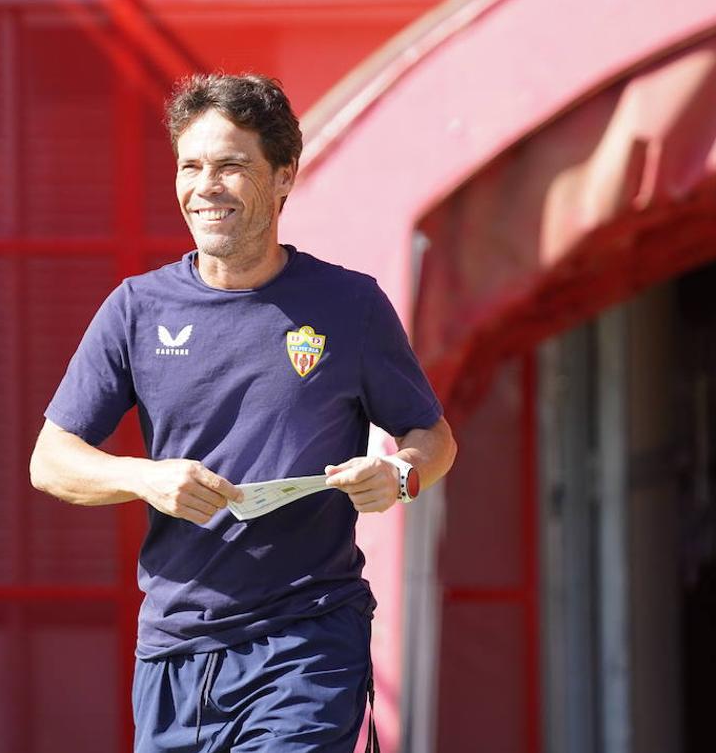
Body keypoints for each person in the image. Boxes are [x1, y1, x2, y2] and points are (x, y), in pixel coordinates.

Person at [29, 73, 456, 753]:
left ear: (284, 177)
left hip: (306, 640)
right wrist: (146, 478)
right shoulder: (136, 310)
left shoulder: (350, 306)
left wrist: (402, 473)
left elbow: (431, 436)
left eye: (231, 166)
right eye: (191, 166)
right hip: (173, 649)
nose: (206, 187)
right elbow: (50, 460)